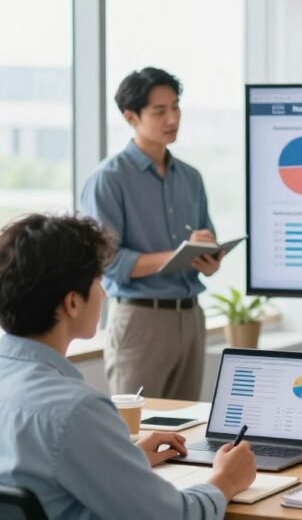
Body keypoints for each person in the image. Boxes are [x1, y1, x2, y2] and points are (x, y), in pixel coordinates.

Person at [0, 213, 255, 519]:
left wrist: (127, 458)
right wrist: (226, 480)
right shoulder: (76, 411)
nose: (105, 292)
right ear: (72, 303)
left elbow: (43, 471)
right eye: (98, 281)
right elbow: (170, 516)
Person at [81, 67, 223, 400]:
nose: (172, 118)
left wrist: (208, 259)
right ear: (131, 117)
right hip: (140, 319)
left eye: (176, 107)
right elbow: (108, 262)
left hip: (191, 316)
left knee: (186, 430)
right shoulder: (108, 179)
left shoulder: (191, 177)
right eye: (160, 111)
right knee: (136, 430)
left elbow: (207, 243)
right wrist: (177, 256)